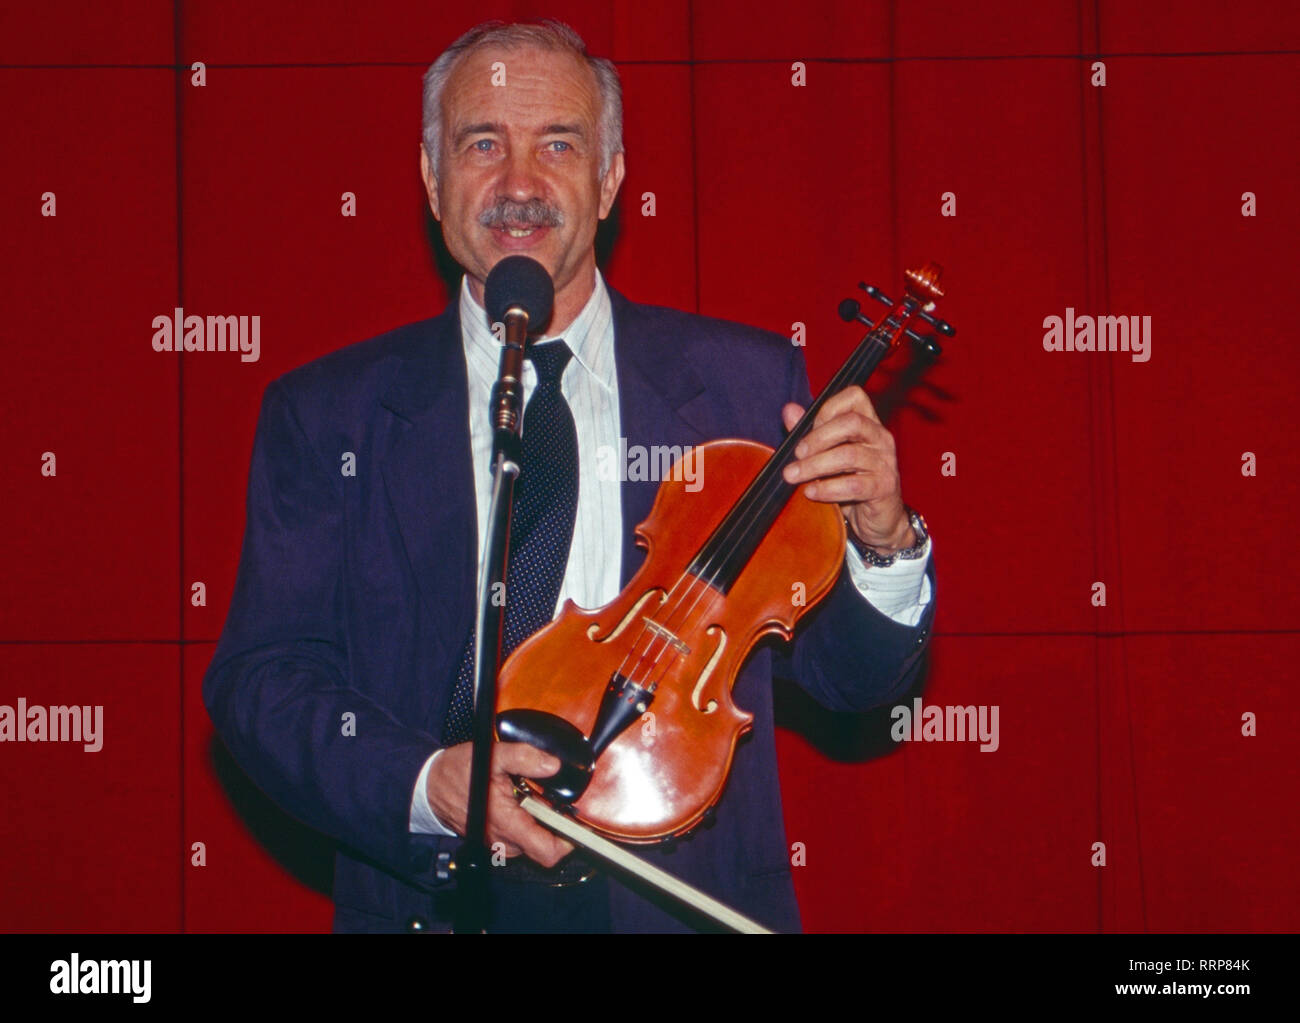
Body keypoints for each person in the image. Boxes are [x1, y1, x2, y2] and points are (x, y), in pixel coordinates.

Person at [203, 18, 935, 934]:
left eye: (559, 143)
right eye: (482, 144)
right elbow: (263, 680)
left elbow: (850, 679)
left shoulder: (748, 391)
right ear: (433, 183)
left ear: (611, 179)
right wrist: (429, 782)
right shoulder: (326, 414)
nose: (519, 184)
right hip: (430, 906)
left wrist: (883, 540)